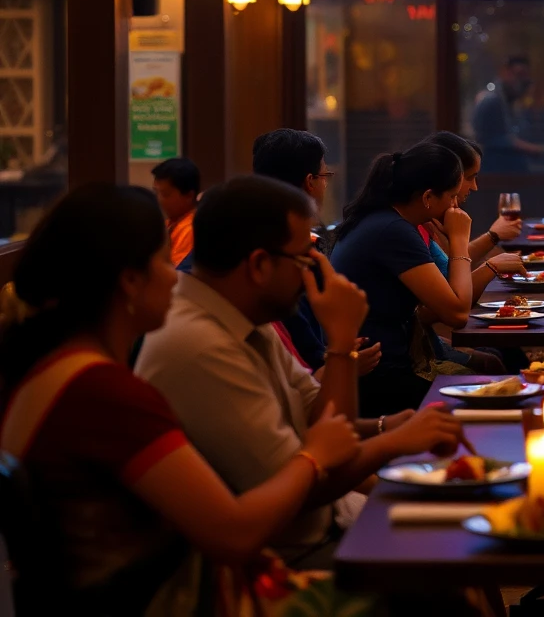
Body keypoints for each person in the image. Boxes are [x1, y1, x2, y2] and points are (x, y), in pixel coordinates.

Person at [0, 184, 365, 615]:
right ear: (130, 282)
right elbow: (234, 535)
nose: (175, 273)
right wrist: (314, 457)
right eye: (161, 260)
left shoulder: (59, 372)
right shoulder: (101, 393)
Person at [136, 176, 465, 563]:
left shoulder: (242, 312)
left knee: (459, 521)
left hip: (326, 521)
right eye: (303, 258)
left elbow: (320, 421)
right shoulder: (198, 346)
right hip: (290, 555)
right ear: (259, 264)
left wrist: (387, 427)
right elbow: (312, 477)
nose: (315, 270)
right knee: (451, 548)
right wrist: (342, 345)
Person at [330, 143, 474, 416]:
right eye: (453, 197)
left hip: (389, 363)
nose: (456, 206)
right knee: (490, 393)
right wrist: (459, 240)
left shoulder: (384, 220)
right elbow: (457, 312)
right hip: (381, 378)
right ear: (428, 197)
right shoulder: (392, 230)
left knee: (493, 371)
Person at [251, 128, 380, 376]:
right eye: (325, 175)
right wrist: (344, 358)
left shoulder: (275, 241)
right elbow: (311, 366)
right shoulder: (290, 256)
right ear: (311, 182)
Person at [418, 131, 529, 375]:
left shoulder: (438, 217)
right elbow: (451, 291)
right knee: (496, 356)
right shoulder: (419, 221)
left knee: (504, 352)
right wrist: (492, 257)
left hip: (430, 340)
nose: (475, 186)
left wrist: (492, 243)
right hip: (421, 346)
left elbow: (454, 265)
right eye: (470, 177)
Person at [471, 55, 544, 172]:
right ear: (505, 73)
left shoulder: (512, 103)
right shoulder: (492, 101)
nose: (522, 81)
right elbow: (492, 139)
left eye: (525, 76)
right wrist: (535, 149)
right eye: (519, 74)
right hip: (497, 170)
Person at [151, 157, 199, 267]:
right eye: (156, 192)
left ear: (189, 196)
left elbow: (176, 272)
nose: (158, 199)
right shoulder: (170, 223)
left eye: (165, 194)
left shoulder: (190, 229)